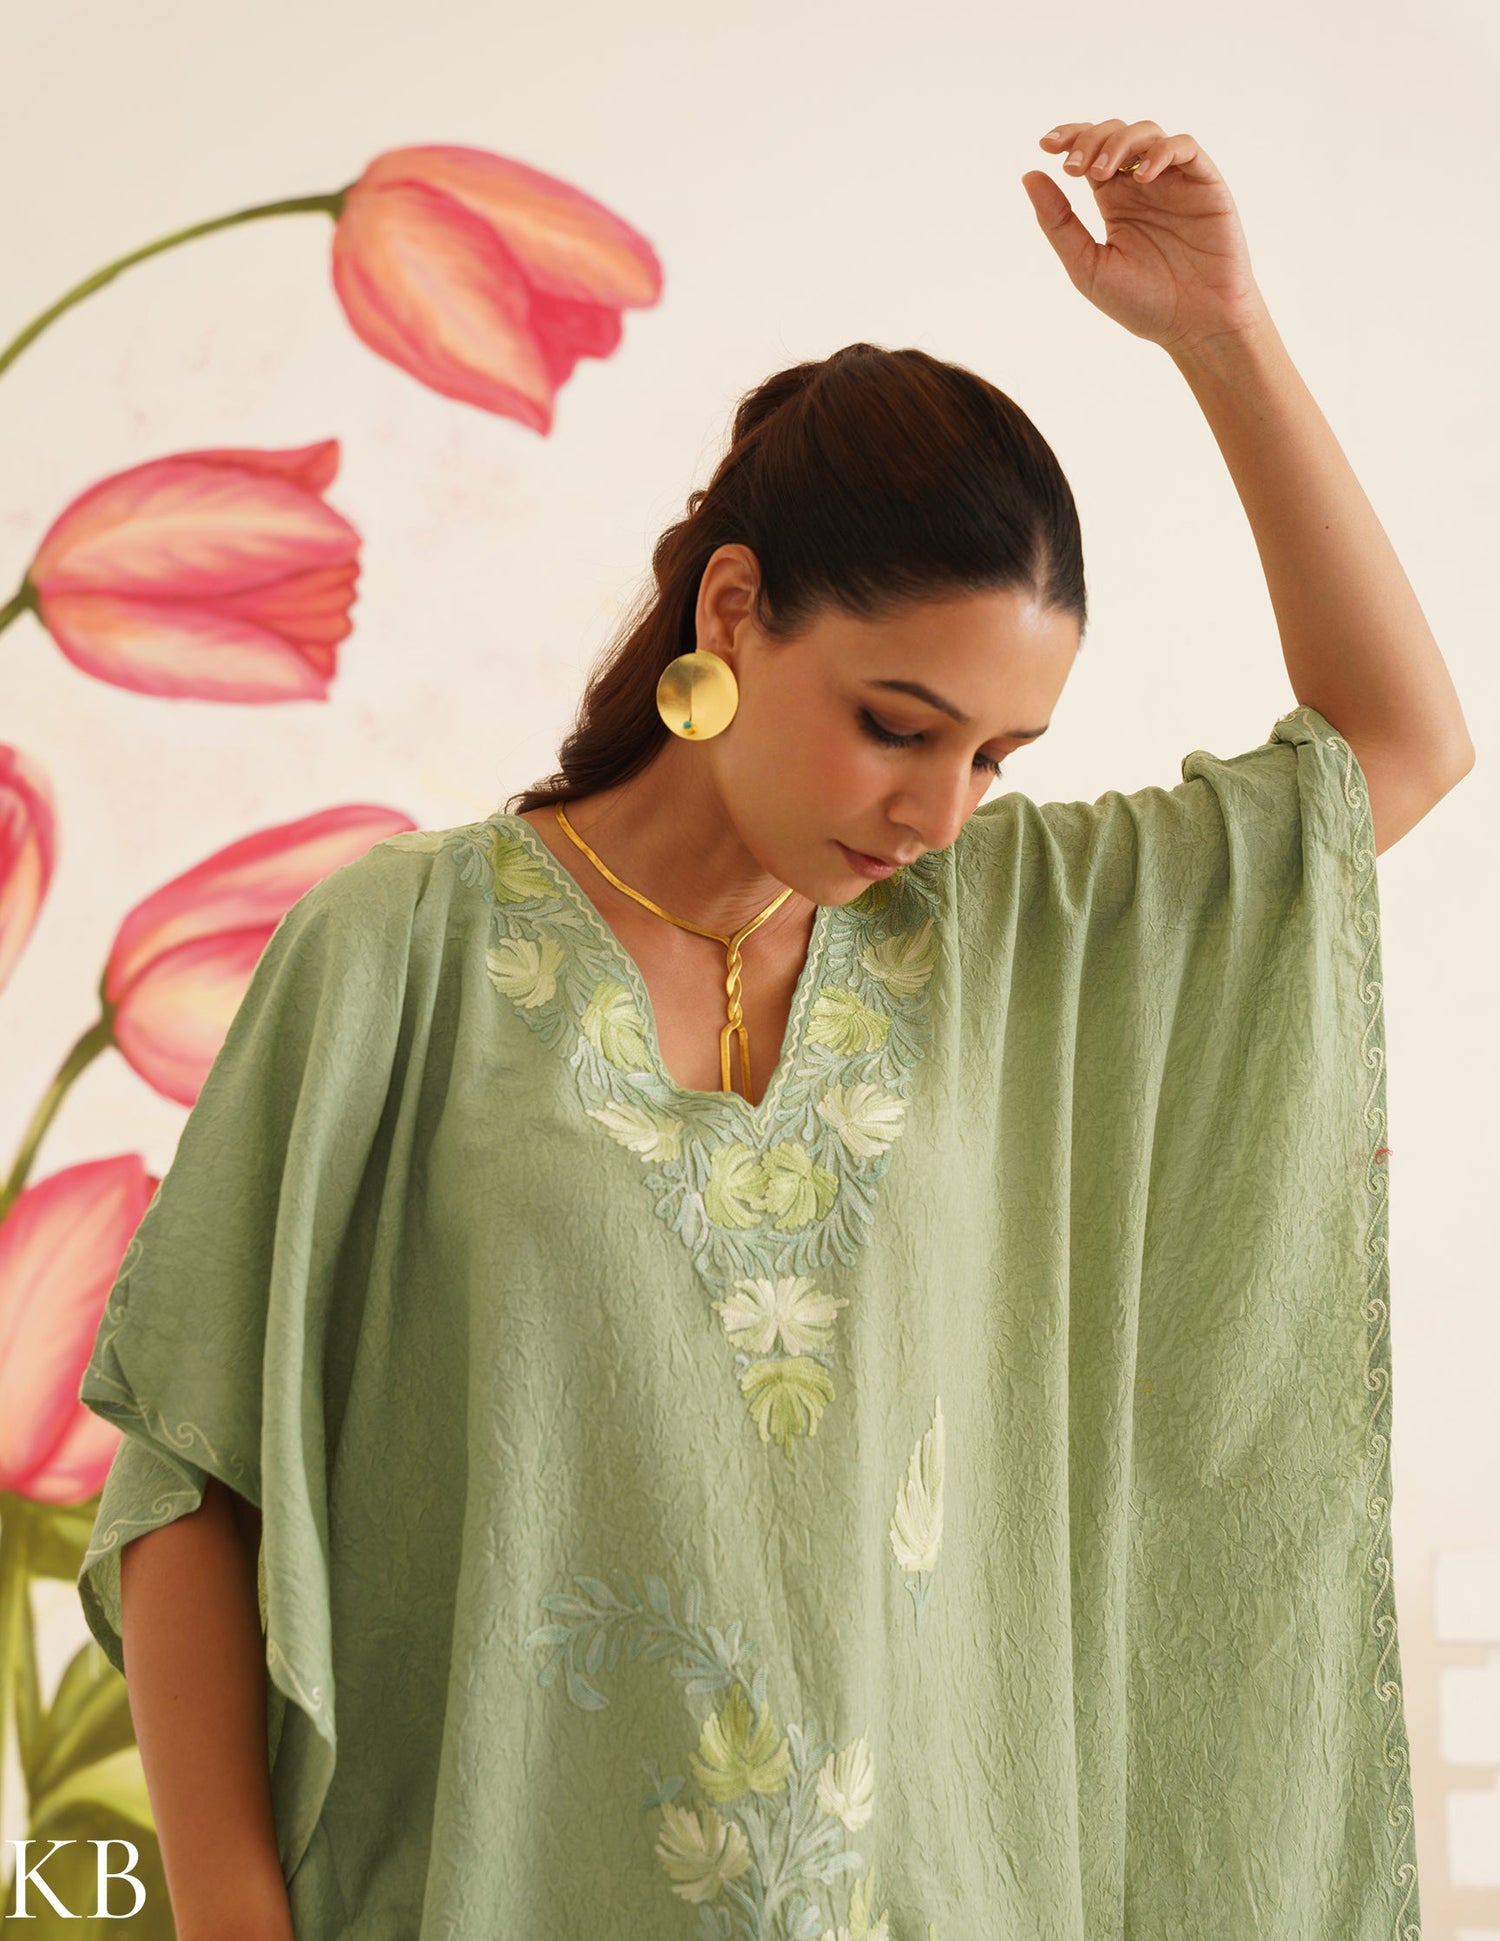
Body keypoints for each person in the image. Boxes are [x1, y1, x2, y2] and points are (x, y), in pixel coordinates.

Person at [75, 117, 1469, 1939]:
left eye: (997, 755)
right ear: (733, 608)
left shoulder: (1002, 938)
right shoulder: (395, 957)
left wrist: (1225, 334)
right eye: (898, 723)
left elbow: (1398, 747)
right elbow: (197, 1471)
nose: (939, 811)